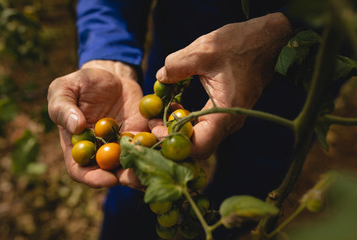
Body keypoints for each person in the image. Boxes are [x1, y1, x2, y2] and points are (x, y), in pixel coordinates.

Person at [47, 1, 296, 239]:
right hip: (180, 55)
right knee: (134, 195)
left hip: (294, 80)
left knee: (250, 180)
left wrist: (288, 29)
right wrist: (107, 57)